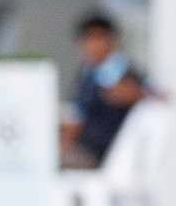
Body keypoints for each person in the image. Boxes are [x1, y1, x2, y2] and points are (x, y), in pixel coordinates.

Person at [60, 14, 150, 170]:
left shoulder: (118, 70)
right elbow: (74, 116)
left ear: (113, 40)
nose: (95, 45)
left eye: (99, 38)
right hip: (84, 149)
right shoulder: (86, 73)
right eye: (89, 39)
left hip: (102, 154)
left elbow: (142, 93)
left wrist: (130, 93)